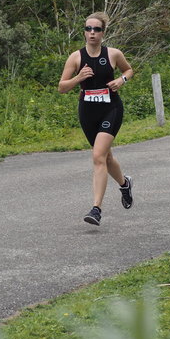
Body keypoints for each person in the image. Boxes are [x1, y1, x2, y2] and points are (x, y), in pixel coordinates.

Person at [58, 12, 134, 226]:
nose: (92, 33)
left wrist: (122, 80)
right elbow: (61, 87)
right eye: (88, 29)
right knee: (106, 158)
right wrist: (79, 78)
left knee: (98, 156)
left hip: (111, 108)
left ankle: (96, 209)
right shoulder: (76, 57)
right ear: (84, 31)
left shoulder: (113, 54)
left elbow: (129, 70)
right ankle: (124, 183)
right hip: (87, 111)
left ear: (103, 33)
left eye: (97, 29)